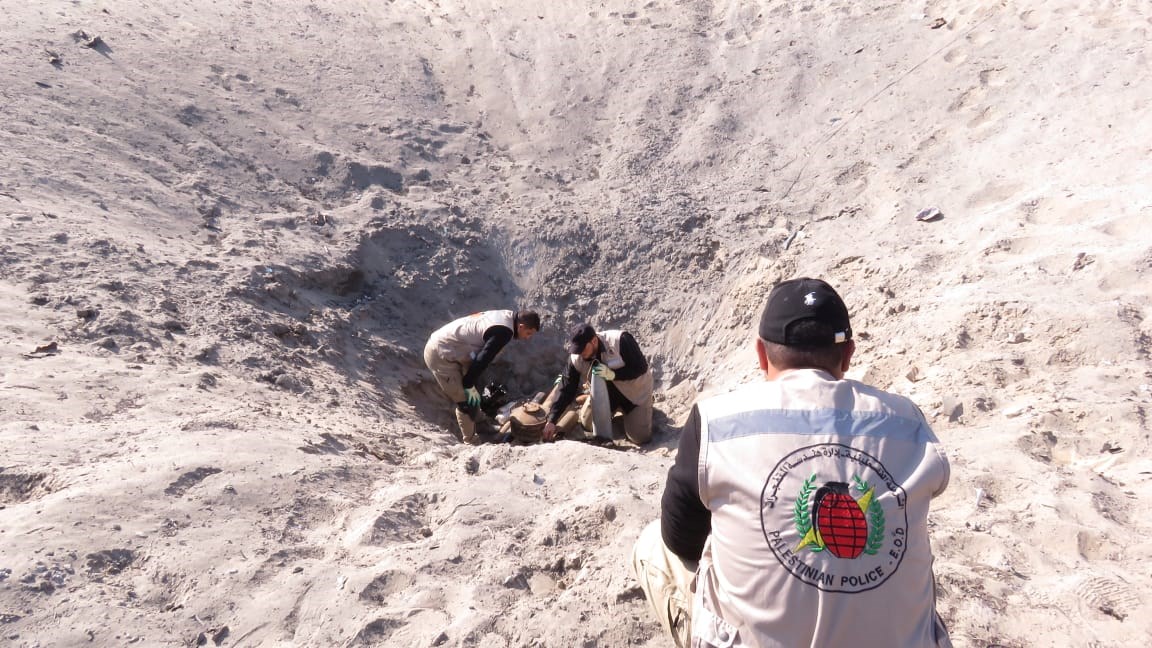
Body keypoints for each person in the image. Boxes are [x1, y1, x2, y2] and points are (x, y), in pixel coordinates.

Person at [631, 278, 951, 648]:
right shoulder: (908, 421)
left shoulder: (716, 421)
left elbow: (680, 539)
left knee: (652, 543)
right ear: (848, 354)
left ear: (760, 354)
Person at [424, 309, 540, 443]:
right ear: (521, 326)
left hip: (455, 347)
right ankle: (471, 442)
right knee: (464, 400)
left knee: (473, 392)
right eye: (528, 333)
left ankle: (483, 427)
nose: (527, 337)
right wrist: (468, 384)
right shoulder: (504, 332)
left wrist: (471, 384)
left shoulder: (508, 316)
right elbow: (483, 359)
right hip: (441, 354)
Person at [542, 323, 653, 444]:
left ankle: (646, 405)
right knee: (587, 424)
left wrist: (613, 374)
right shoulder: (576, 357)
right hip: (605, 396)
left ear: (594, 341)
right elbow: (567, 388)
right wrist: (552, 420)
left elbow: (640, 368)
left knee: (640, 438)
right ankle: (596, 403)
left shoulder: (620, 340)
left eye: (582, 349)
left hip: (635, 395)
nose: (580, 353)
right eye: (577, 350)